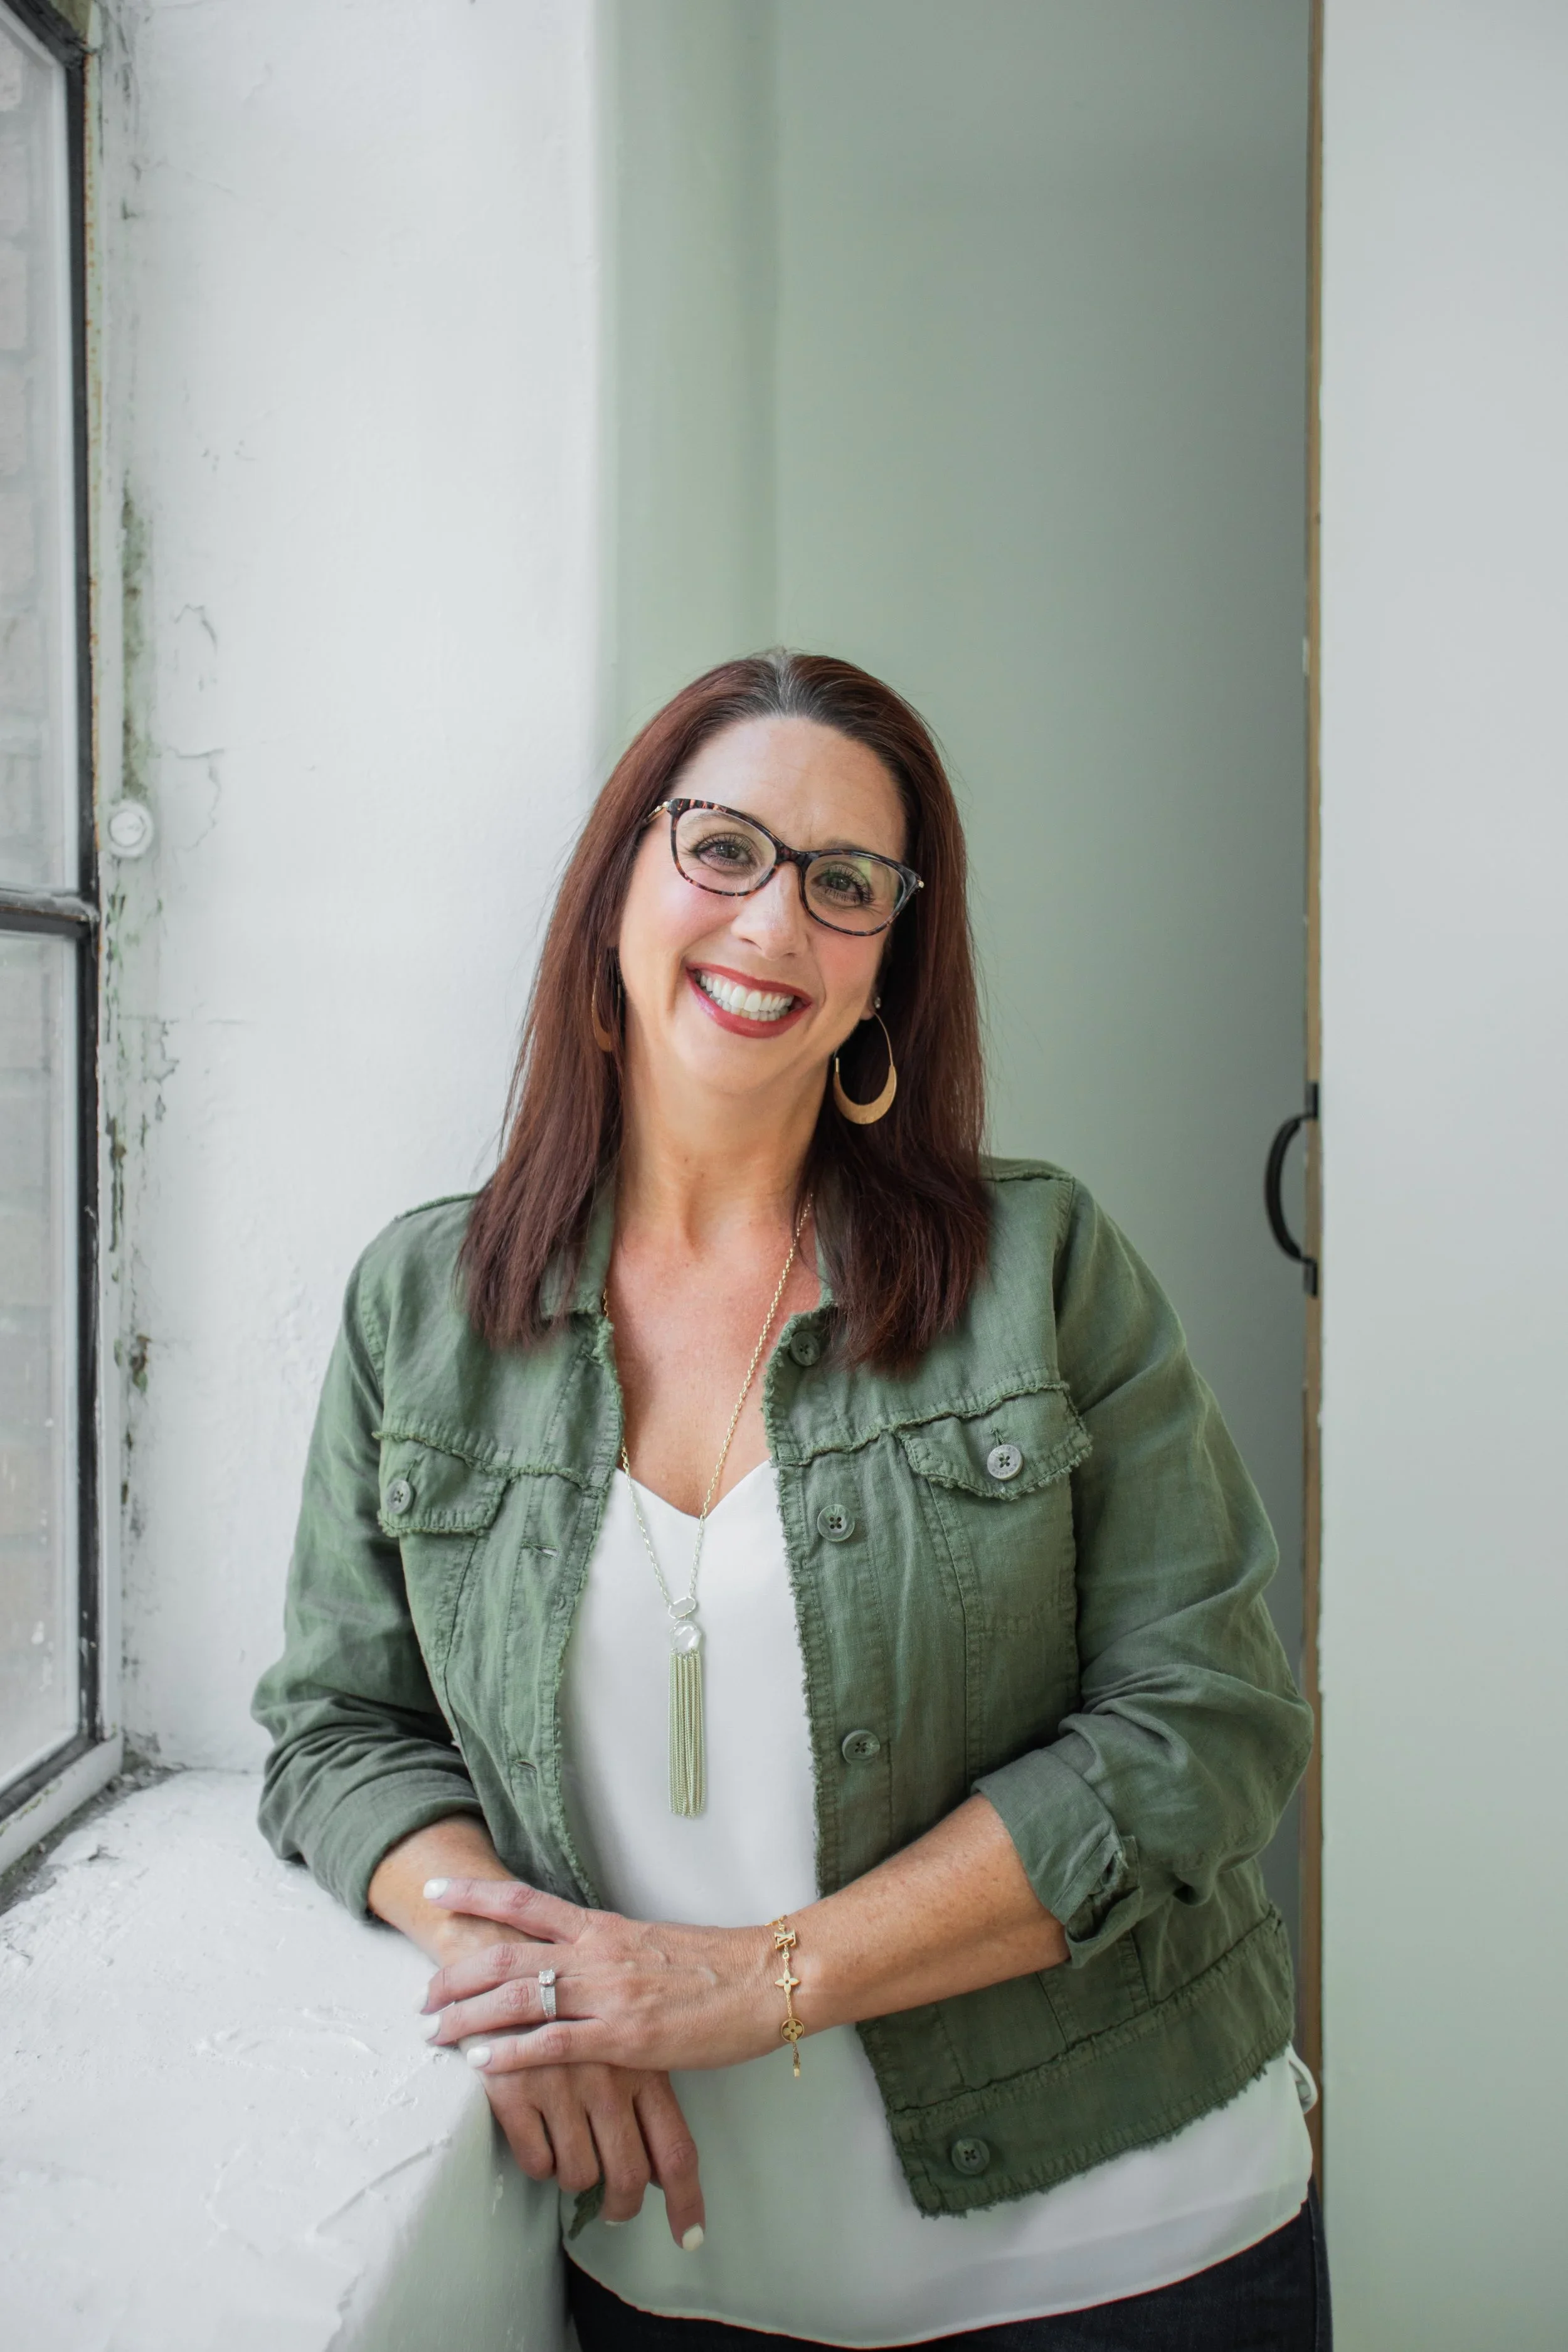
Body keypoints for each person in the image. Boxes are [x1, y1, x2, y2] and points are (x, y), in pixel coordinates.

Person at [254, 650, 1329, 2351]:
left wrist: (752, 1981)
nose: (773, 923)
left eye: (845, 886)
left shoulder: (1040, 1272)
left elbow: (1202, 1726)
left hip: (1134, 2248)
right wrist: (543, 1985)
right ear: (618, 881)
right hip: (678, 2280)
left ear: (887, 970)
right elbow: (335, 1729)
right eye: (722, 848)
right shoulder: (424, 1305)